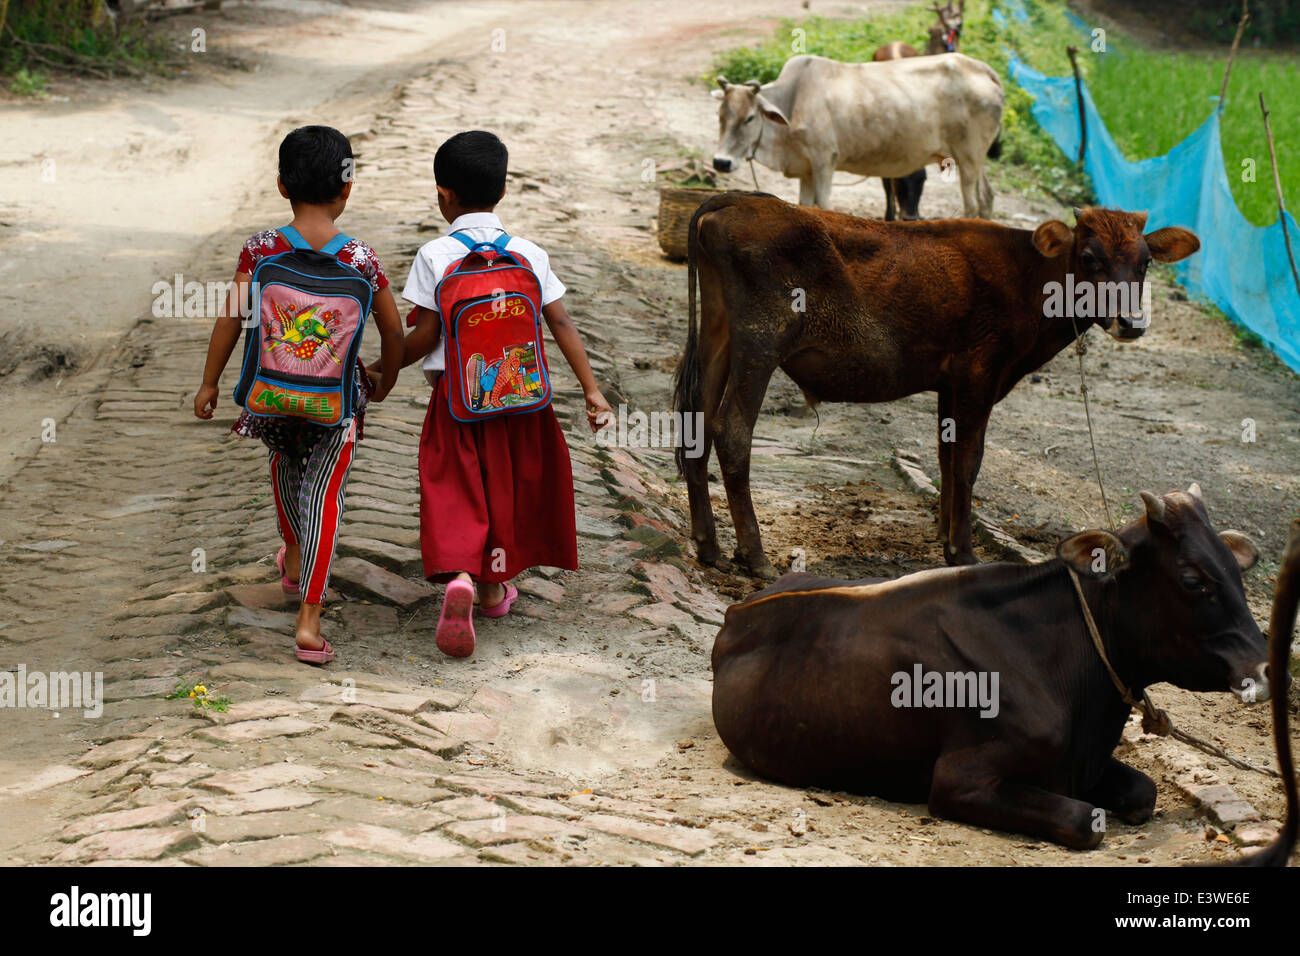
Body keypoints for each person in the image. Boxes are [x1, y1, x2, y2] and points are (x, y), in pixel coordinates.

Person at [376, 130, 611, 658]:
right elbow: (561, 322)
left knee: (456, 488)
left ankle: (460, 574)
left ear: (443, 195)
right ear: (502, 193)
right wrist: (592, 391)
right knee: (505, 490)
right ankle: (491, 587)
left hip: (457, 404)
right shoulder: (529, 254)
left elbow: (423, 337)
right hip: (522, 405)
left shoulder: (435, 255)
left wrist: (381, 369)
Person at [195, 125, 404, 664]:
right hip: (335, 406)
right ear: (347, 190)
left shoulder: (260, 249)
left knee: (287, 470)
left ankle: (293, 560)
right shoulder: (362, 260)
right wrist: (387, 376)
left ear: (282, 187)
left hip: (272, 396)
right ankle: (309, 621)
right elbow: (393, 331)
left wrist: (210, 381)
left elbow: (232, 317)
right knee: (324, 499)